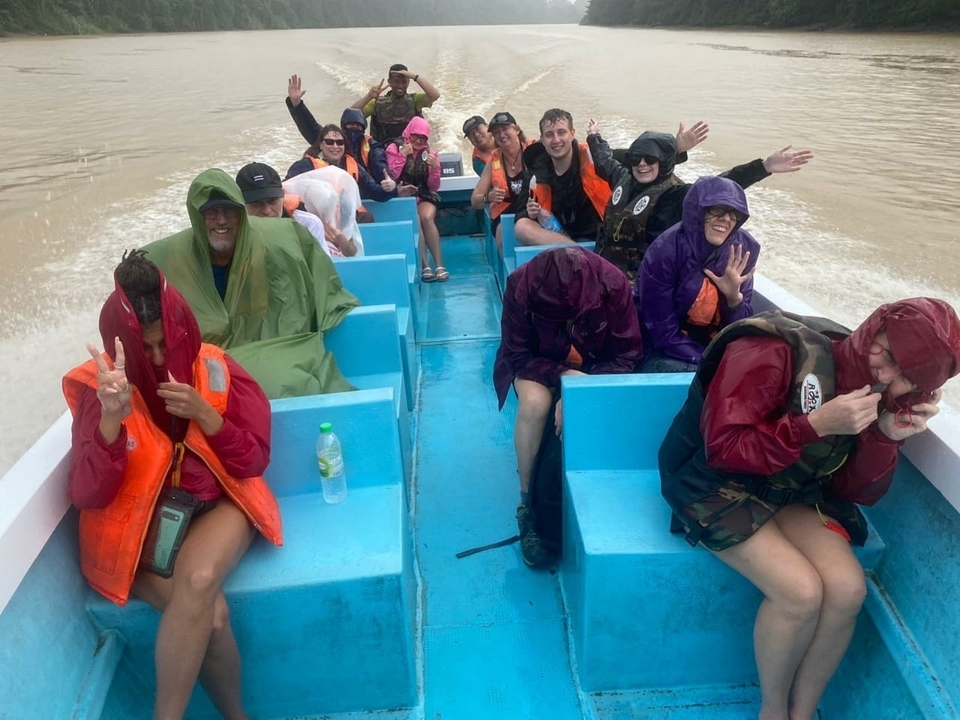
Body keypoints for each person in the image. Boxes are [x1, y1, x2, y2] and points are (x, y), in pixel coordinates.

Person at [658, 297, 960, 720]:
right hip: (711, 481)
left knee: (848, 589)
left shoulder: (880, 392)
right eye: (888, 354)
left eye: (906, 376)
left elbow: (853, 490)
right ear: (873, 327)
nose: (887, 375)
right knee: (800, 593)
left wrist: (886, 436)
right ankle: (773, 711)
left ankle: (803, 713)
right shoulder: (771, 351)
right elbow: (722, 449)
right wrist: (815, 425)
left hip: (788, 487)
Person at [63, 250, 282, 720]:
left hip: (215, 505)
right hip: (140, 527)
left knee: (201, 579)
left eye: (166, 344)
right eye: (147, 349)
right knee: (214, 617)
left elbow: (253, 460)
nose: (160, 359)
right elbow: (87, 494)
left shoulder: (216, 368)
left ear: (181, 330)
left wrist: (208, 417)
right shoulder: (101, 391)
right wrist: (110, 424)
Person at [143, 168, 359, 399]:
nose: (221, 220)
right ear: (197, 216)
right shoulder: (171, 258)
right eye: (211, 212)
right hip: (206, 361)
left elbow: (321, 285)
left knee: (289, 383)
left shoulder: (284, 241)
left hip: (276, 351)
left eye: (229, 211)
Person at [493, 246, 643, 566]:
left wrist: (577, 391)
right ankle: (526, 505)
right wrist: (565, 377)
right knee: (534, 405)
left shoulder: (614, 285)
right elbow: (518, 354)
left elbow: (627, 354)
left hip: (594, 367)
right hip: (538, 363)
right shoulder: (519, 285)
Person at [587, 118, 812, 282]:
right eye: (636, 158)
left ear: (664, 162)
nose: (642, 164)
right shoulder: (622, 177)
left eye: (651, 159)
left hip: (640, 281)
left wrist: (763, 167)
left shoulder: (675, 196)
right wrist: (594, 135)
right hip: (602, 265)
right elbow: (604, 159)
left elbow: (720, 184)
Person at [636, 175, 761, 373]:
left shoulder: (743, 250)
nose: (726, 219)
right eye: (717, 209)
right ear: (698, 211)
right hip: (664, 348)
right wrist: (706, 360)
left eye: (734, 213)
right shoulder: (665, 251)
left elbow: (739, 329)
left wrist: (734, 299)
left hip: (712, 345)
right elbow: (661, 330)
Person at [514, 108, 611, 247]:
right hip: (555, 237)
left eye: (561, 132)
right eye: (549, 135)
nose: (556, 140)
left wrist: (596, 140)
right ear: (542, 140)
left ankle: (581, 255)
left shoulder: (595, 158)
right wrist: (529, 213)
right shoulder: (535, 171)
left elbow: (622, 171)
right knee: (521, 227)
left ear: (572, 134)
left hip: (595, 236)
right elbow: (520, 214)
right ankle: (577, 252)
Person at [235, 162, 357, 258]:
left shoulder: (309, 225)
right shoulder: (231, 229)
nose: (267, 210)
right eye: (256, 203)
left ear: (282, 195)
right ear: (239, 200)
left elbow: (322, 274)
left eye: (272, 200)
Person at [285, 74, 390, 181]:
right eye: (350, 125)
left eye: (358, 126)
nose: (335, 146)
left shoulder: (372, 146)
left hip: (364, 189)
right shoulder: (330, 139)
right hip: (331, 189)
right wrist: (296, 103)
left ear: (363, 128)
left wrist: (390, 184)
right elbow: (309, 125)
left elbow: (381, 167)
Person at [386, 116, 447, 282]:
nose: (418, 141)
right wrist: (402, 155)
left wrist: (435, 168)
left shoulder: (431, 155)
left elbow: (434, 186)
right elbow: (392, 176)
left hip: (423, 195)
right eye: (415, 136)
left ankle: (439, 265)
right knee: (416, 218)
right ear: (409, 134)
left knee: (426, 217)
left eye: (423, 138)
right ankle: (425, 265)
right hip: (402, 196)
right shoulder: (394, 148)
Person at [285, 123, 402, 203]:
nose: (335, 146)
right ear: (321, 144)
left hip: (347, 218)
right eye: (330, 142)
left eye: (340, 142)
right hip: (319, 218)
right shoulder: (305, 166)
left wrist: (391, 188)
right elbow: (284, 189)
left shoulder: (353, 166)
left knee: (367, 218)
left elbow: (377, 193)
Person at [470, 111, 534, 253]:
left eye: (505, 129)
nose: (502, 135)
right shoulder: (493, 161)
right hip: (506, 211)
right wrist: (488, 197)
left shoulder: (534, 150)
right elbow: (475, 200)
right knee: (502, 233)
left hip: (534, 206)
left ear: (516, 130)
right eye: (497, 132)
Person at [352, 63, 441, 144]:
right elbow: (351, 115)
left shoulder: (415, 100)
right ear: (389, 82)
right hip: (382, 153)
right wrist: (369, 96)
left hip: (410, 150)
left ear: (408, 82)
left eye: (404, 82)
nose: (400, 86)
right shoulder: (376, 103)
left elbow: (434, 95)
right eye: (396, 81)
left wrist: (414, 77)